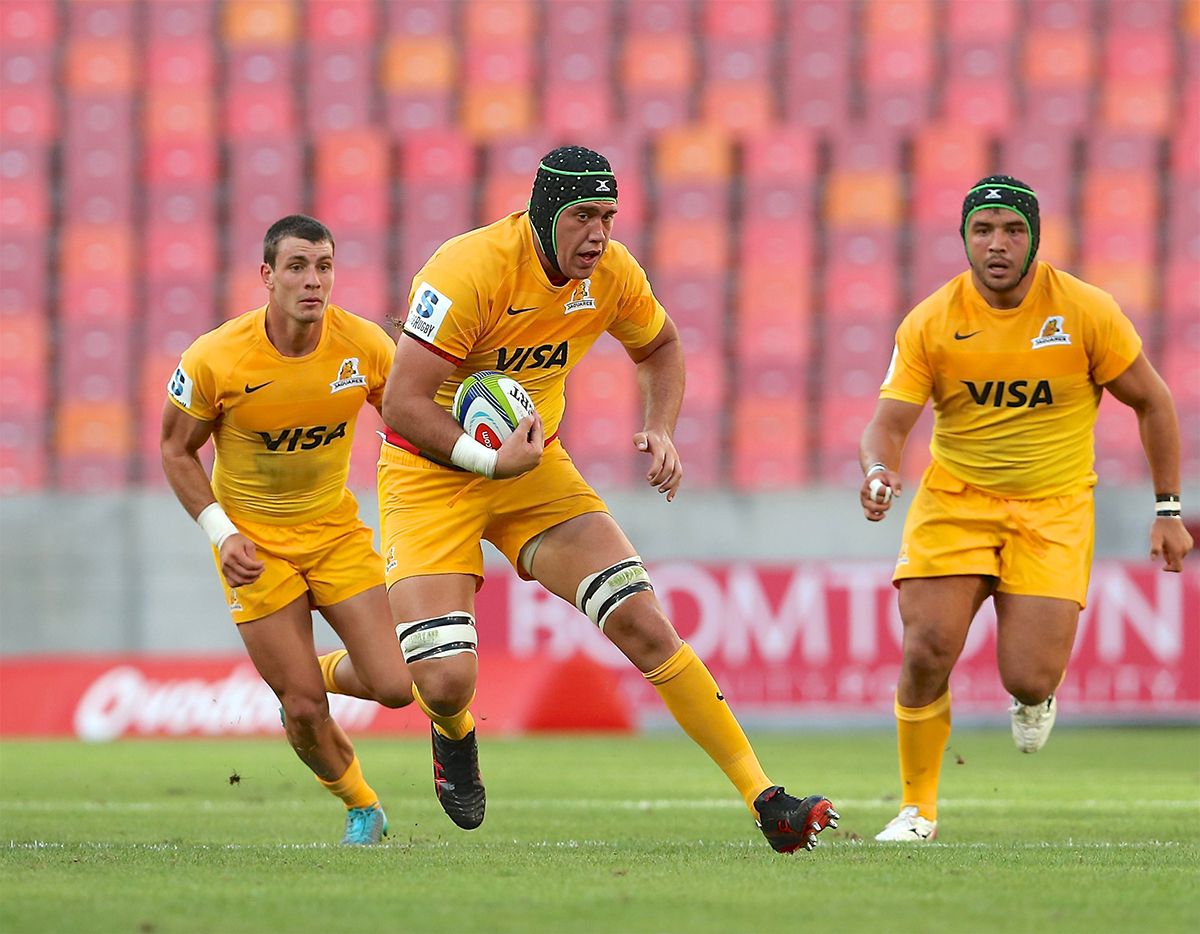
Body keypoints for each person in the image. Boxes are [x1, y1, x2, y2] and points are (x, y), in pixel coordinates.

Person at [325, 145, 837, 853]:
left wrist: (660, 426)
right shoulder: (468, 270)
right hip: (430, 475)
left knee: (645, 624)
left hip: (536, 473)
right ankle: (452, 733)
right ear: (545, 215)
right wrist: (486, 459)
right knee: (444, 682)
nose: (598, 234)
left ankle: (767, 799)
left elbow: (660, 346)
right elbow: (404, 403)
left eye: (607, 216)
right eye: (583, 217)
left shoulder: (615, 274)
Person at [859, 176, 1194, 842]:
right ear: (964, 240)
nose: (997, 244)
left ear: (1035, 238)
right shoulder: (931, 319)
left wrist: (1169, 507)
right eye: (983, 231)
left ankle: (1034, 697)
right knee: (926, 647)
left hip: (1053, 508)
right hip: (955, 501)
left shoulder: (1084, 310)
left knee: (1030, 674)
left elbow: (1154, 401)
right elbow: (889, 421)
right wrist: (878, 468)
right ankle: (917, 809)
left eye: (1012, 230)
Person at [161, 214, 415, 846]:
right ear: (267, 277)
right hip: (255, 547)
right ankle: (362, 806)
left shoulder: (363, 346)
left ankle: (315, 670)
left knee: (395, 687)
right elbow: (174, 449)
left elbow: (411, 419)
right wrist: (221, 533)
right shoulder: (215, 357)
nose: (313, 281)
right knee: (301, 710)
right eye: (297, 268)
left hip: (335, 534)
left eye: (324, 267)